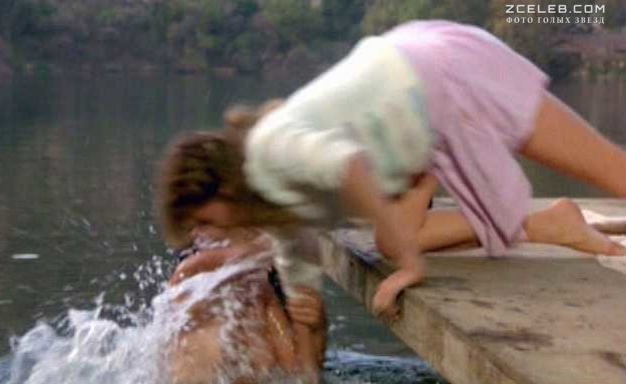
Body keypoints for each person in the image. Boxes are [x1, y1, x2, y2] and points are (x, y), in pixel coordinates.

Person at [165, 20, 626, 321]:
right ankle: (549, 223)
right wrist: (305, 347)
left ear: (224, 191)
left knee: (614, 172)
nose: (204, 235)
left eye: (203, 220)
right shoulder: (273, 195)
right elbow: (299, 271)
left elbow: (349, 166)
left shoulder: (271, 150)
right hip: (417, 114)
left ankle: (537, 220)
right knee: (392, 238)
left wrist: (410, 267)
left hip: (445, 74)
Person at [158, 142, 326, 383]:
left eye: (205, 222)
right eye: (192, 225)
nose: (198, 234)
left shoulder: (272, 269)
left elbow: (305, 372)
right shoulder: (197, 273)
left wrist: (316, 330)